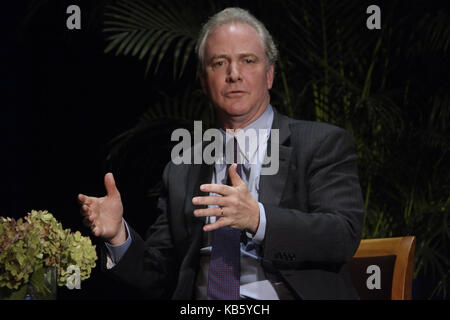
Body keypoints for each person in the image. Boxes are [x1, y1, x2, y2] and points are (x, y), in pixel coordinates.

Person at [78, 7, 365, 300]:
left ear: (269, 74)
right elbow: (160, 275)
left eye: (248, 60)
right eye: (219, 63)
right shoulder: (182, 168)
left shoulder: (320, 143)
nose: (234, 75)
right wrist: (118, 236)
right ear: (204, 80)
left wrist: (258, 219)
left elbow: (342, 235)